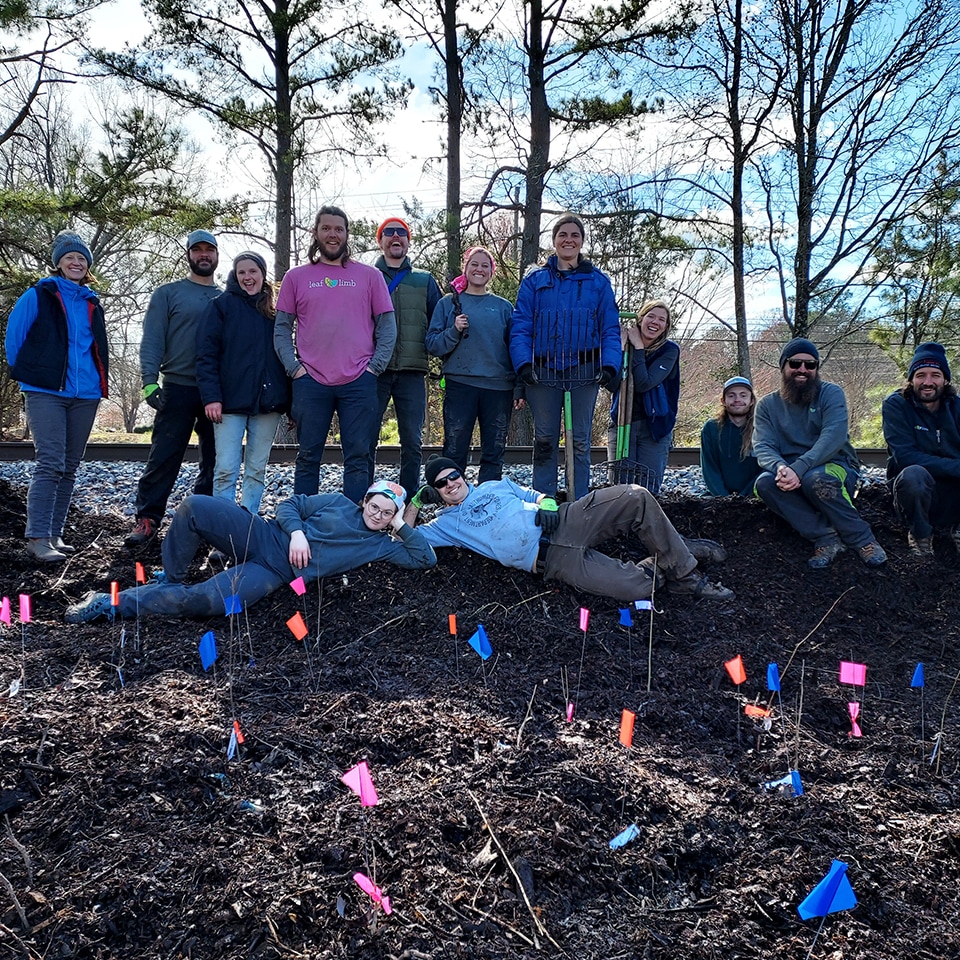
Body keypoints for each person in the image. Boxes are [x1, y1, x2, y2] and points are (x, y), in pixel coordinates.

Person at [65, 481, 435, 621]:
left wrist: (401, 525)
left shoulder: (379, 546)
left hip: (273, 573)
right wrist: (297, 535)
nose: (377, 515)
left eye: (387, 513)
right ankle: (172, 576)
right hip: (263, 535)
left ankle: (110, 603)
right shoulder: (337, 502)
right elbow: (290, 505)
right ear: (365, 499)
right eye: (375, 506)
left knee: (203, 604)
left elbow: (424, 558)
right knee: (195, 506)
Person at [403, 457, 733, 602]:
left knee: (636, 497)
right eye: (441, 483)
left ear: (463, 474)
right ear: (436, 491)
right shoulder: (446, 525)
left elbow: (537, 495)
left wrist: (547, 504)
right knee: (636, 588)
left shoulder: (494, 485)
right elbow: (406, 536)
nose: (450, 483)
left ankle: (689, 578)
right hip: (552, 562)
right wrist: (417, 500)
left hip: (567, 520)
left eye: (453, 475)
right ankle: (676, 550)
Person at [274, 205, 396, 501]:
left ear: (346, 235)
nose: (332, 234)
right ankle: (305, 523)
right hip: (310, 381)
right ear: (315, 233)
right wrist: (294, 369)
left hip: (359, 381)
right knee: (308, 457)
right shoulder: (296, 277)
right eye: (326, 228)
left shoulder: (370, 276)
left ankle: (354, 525)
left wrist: (374, 368)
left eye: (338, 229)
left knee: (358, 456)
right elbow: (281, 328)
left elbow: (388, 327)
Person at [5, 231, 108, 562]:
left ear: (87, 265)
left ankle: (54, 533)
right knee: (50, 463)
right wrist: (32, 374)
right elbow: (15, 338)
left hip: (86, 393)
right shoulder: (39, 294)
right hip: (46, 391)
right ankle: (37, 537)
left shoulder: (92, 301)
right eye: (70, 257)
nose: (76, 262)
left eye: (81, 258)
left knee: (70, 465)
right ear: (59, 263)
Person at [509, 213, 621, 500]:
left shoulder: (598, 282)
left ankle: (579, 501)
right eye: (563, 235)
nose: (568, 240)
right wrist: (523, 364)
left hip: (584, 373)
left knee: (580, 442)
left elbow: (609, 327)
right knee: (544, 440)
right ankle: (543, 503)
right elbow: (521, 325)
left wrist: (610, 365)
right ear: (554, 240)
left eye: (574, 235)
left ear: (582, 241)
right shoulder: (535, 281)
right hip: (543, 374)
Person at [753, 338, 887, 569]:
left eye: (810, 364)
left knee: (816, 480)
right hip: (792, 470)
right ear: (783, 366)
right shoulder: (767, 405)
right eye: (795, 363)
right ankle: (825, 536)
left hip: (834, 464)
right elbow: (763, 446)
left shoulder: (831, 394)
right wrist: (781, 468)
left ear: (816, 368)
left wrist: (799, 468)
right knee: (764, 483)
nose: (802, 369)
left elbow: (833, 437)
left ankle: (862, 538)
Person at [125, 230, 222, 547]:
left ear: (217, 256)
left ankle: (202, 524)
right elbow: (152, 339)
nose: (204, 255)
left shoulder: (225, 298)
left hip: (216, 393)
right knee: (164, 456)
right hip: (177, 387)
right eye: (198, 250)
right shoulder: (168, 294)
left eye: (210, 250)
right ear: (189, 255)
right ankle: (148, 520)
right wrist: (149, 382)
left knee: (215, 460)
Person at [196, 251, 290, 514]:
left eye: (253, 271)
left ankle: (246, 526)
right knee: (225, 468)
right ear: (235, 276)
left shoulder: (275, 311)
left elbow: (286, 357)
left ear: (262, 273)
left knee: (256, 470)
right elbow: (206, 355)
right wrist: (211, 396)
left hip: (268, 404)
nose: (248, 277)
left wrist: (291, 405)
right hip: (228, 403)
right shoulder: (221, 306)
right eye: (242, 272)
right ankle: (223, 529)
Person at [426, 246, 520, 483]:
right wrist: (453, 331)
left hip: (499, 389)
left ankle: (488, 501)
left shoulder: (504, 308)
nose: (479, 269)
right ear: (466, 268)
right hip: (460, 385)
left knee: (494, 452)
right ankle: (454, 503)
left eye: (485, 265)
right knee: (455, 448)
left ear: (492, 272)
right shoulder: (449, 304)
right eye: (474, 264)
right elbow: (432, 345)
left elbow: (517, 349)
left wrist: (519, 388)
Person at [369, 216, 442, 496]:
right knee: (367, 439)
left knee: (412, 441)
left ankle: (408, 499)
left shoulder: (424, 281)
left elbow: (438, 324)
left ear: (409, 241)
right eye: (389, 232)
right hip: (374, 371)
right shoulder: (366, 277)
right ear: (381, 241)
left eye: (402, 232)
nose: (396, 236)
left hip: (412, 370)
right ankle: (369, 498)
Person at [881, 342, 960, 557]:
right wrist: (955, 465)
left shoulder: (957, 407)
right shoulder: (896, 405)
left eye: (935, 375)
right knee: (914, 474)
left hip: (953, 493)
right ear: (911, 379)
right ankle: (920, 535)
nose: (928, 382)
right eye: (920, 375)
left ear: (945, 379)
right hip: (916, 493)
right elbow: (906, 457)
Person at [607, 299, 679, 493]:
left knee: (648, 488)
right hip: (622, 422)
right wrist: (620, 349)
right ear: (640, 318)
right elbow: (612, 384)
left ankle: (645, 524)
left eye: (662, 319)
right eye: (651, 316)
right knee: (619, 488)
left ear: (666, 327)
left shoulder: (669, 351)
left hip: (655, 426)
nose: (655, 322)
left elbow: (644, 383)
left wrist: (638, 348)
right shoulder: (623, 345)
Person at [700, 376, 761, 497]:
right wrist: (724, 499)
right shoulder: (711, 428)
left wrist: (745, 497)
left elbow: (767, 467)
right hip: (719, 496)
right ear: (723, 401)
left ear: (752, 400)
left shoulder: (762, 428)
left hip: (754, 494)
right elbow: (710, 469)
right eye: (731, 395)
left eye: (743, 395)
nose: (737, 399)